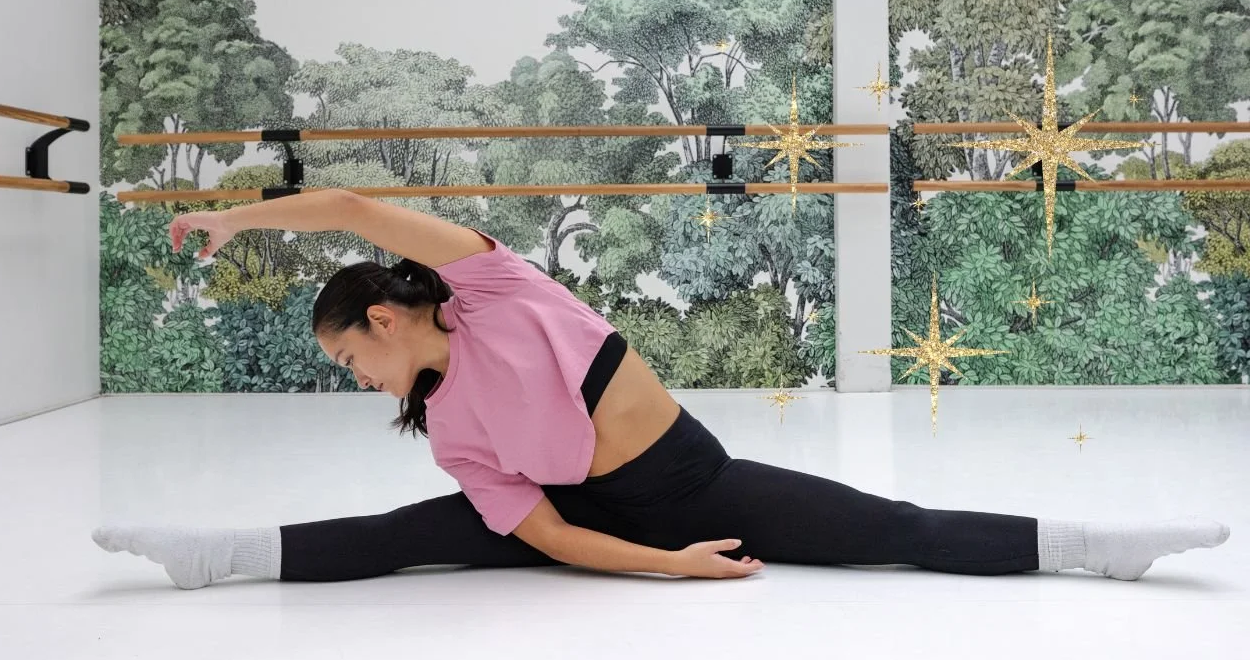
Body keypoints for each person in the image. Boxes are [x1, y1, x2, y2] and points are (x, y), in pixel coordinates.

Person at [93, 189, 1229, 590]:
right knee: (405, 533)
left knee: (893, 528)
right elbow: (545, 533)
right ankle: (219, 556)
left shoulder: (495, 289)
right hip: (602, 523)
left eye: (351, 356)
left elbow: (346, 210)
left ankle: (1094, 545)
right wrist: (663, 573)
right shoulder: (445, 428)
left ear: (386, 317)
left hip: (691, 483)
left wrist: (232, 219)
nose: (353, 378)